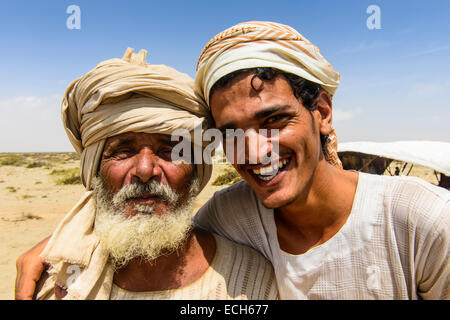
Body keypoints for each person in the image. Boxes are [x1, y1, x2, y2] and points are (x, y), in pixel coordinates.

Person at [17, 21, 449, 300]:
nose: (256, 150)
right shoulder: (230, 215)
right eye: (231, 132)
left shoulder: (423, 222)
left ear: (321, 111)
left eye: (274, 120)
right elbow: (148, 211)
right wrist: (62, 243)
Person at [18, 47, 277, 300]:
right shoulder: (57, 282)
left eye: (169, 151)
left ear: (196, 170)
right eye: (123, 150)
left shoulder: (252, 282)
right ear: (95, 168)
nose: (144, 171)